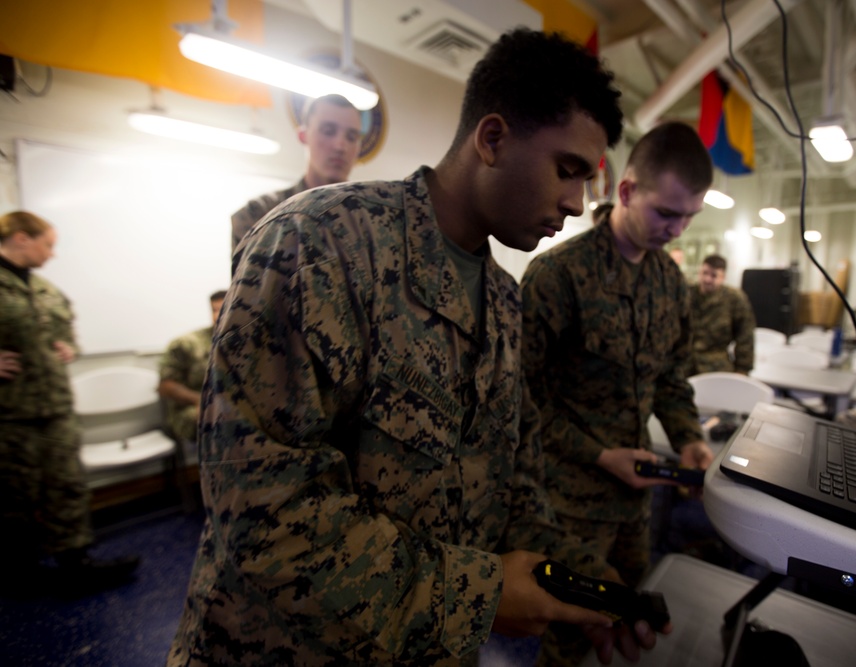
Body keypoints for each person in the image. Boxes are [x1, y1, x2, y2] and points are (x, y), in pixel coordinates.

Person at [169, 29, 667, 666]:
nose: (576, 203)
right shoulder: (317, 243)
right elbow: (263, 510)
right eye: (566, 170)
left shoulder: (503, 301)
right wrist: (479, 596)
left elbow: (511, 489)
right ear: (492, 139)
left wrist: (580, 585)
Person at [520, 121, 716, 667]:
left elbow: (672, 379)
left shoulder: (669, 284)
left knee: (623, 627)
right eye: (666, 213)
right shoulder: (557, 276)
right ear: (626, 192)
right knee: (557, 640)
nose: (677, 231)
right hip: (564, 505)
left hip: (636, 502)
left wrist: (690, 438)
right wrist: (598, 455)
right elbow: (517, 404)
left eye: (689, 217)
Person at [0, 210, 139, 592]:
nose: (52, 254)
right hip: (9, 414)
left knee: (68, 484)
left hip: (55, 406)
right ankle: (20, 569)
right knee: (14, 493)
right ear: (21, 238)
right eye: (48, 244)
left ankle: (75, 560)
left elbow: (68, 334)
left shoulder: (45, 290)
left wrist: (69, 348)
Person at [230, 93, 362, 253]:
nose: (341, 146)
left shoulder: (366, 220)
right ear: (303, 136)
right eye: (328, 131)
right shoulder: (259, 216)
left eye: (351, 137)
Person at [157, 290, 226, 443]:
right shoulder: (187, 344)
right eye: (214, 310)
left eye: (224, 310)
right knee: (223, 416)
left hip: (232, 404)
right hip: (195, 407)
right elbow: (166, 386)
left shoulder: (246, 342)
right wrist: (200, 400)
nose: (217, 316)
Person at [688, 254, 756, 375]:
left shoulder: (734, 299)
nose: (707, 279)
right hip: (685, 364)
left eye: (713, 275)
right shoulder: (688, 294)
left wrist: (743, 370)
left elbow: (745, 337)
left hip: (716, 366)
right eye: (704, 273)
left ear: (723, 277)